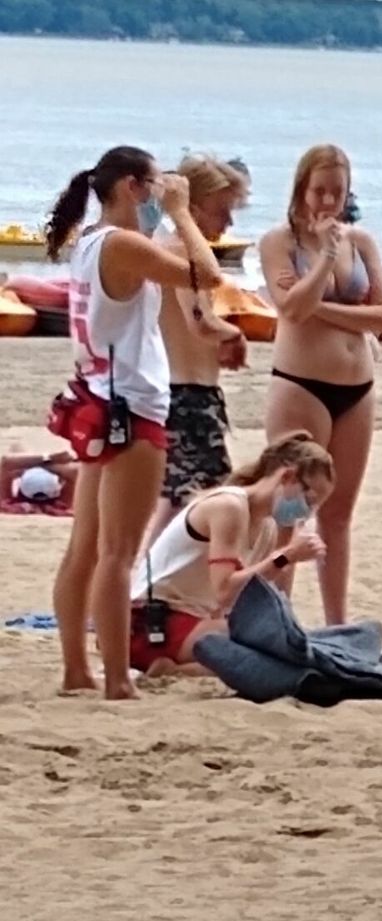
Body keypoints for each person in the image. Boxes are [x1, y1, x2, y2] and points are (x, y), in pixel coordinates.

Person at [44, 146, 225, 699]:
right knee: (118, 553)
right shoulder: (122, 244)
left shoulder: (92, 241)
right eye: (153, 185)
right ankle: (118, 680)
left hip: (99, 398)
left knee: (86, 548)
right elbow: (208, 273)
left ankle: (77, 669)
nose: (161, 195)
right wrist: (183, 212)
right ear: (131, 186)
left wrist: (169, 215)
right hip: (129, 405)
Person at [259, 144, 382, 627]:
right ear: (301, 189)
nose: (329, 201)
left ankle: (337, 622)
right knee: (289, 510)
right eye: (320, 191)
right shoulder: (279, 242)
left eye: (338, 191)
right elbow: (292, 309)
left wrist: (320, 308)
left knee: (338, 513)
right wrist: (325, 258)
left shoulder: (362, 242)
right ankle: (278, 618)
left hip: (357, 387)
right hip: (301, 385)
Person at [129, 432, 333, 676]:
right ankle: (176, 668)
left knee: (283, 645)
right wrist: (285, 557)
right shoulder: (229, 507)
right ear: (287, 476)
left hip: (192, 621)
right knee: (274, 646)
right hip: (152, 623)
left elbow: (240, 594)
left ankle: (180, 668)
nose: (307, 511)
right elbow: (225, 590)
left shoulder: (266, 526)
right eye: (309, 500)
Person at [149, 154, 251, 540]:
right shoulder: (180, 251)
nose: (229, 222)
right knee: (202, 497)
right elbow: (199, 321)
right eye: (222, 211)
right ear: (192, 209)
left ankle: (148, 570)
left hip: (182, 391)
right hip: (188, 397)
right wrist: (233, 334)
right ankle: (148, 571)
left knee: (181, 499)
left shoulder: (165, 247)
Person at [2, 448, 78, 508]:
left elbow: (6, 462)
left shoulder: (8, 506)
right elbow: (73, 471)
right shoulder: (63, 507)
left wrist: (49, 458)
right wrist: (47, 465)